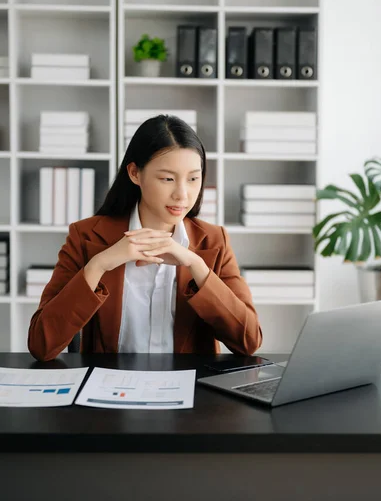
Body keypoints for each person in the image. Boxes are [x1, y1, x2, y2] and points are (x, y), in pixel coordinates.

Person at [28, 115, 263, 361]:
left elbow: (249, 341)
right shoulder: (86, 237)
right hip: (110, 386)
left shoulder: (214, 241)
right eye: (167, 179)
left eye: (193, 178)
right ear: (134, 173)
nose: (182, 194)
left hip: (190, 389)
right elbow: (41, 345)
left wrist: (196, 266)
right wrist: (99, 264)